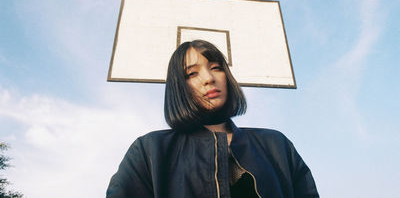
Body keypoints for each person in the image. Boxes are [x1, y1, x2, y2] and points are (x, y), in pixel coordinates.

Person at [107, 40, 319, 198]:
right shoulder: (150, 150)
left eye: (216, 68)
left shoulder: (276, 145)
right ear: (179, 87)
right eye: (192, 73)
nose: (209, 78)